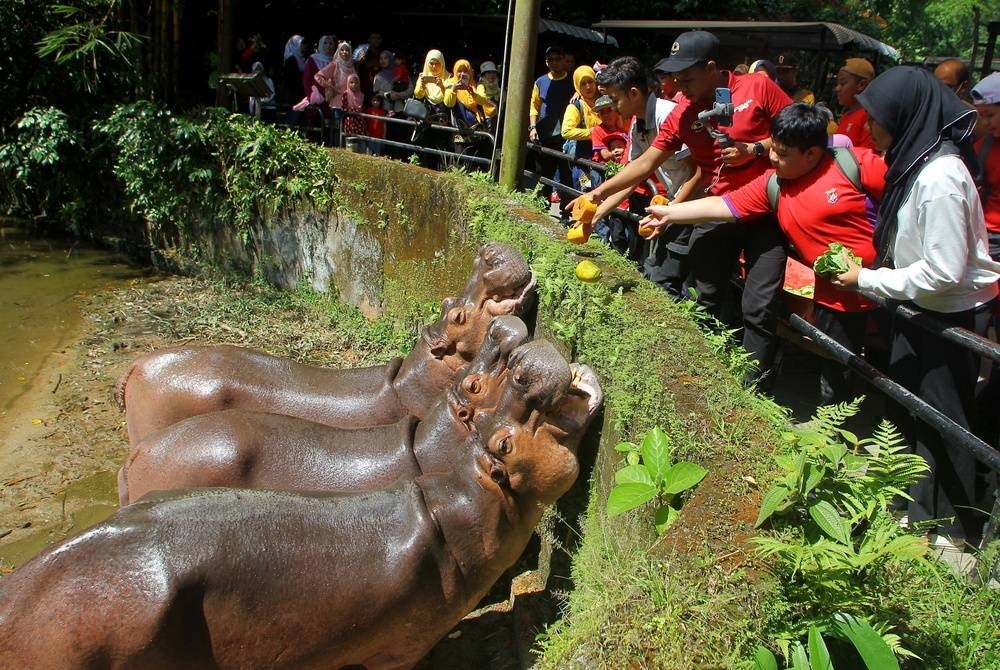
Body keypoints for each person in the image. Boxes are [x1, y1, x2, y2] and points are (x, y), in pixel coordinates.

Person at [831, 66, 1000, 549]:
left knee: (945, 423)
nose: (871, 131)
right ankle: (914, 508)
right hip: (918, 306)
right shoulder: (918, 162)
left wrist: (866, 279)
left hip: (947, 314)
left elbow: (945, 270)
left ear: (904, 117)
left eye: (877, 121)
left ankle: (950, 530)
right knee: (912, 413)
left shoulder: (941, 177)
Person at [580, 32, 793, 386]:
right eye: (675, 78)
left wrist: (754, 149)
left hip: (766, 211)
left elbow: (803, 132)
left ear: (712, 68)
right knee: (702, 293)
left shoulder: (758, 88)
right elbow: (647, 161)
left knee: (758, 306)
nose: (678, 85)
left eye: (686, 78)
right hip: (716, 208)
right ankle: (698, 378)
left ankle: (756, 388)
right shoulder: (683, 111)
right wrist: (598, 193)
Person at [640, 103, 886, 402]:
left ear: (812, 153)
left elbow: (909, 199)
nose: (772, 157)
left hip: (886, 288)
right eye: (773, 148)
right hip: (837, 294)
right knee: (838, 366)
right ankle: (836, 430)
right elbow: (725, 205)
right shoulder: (774, 184)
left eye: (783, 153)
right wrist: (668, 214)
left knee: (900, 378)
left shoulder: (857, 165)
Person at [589, 56, 700, 292]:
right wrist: (597, 212)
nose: (612, 105)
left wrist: (672, 211)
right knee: (658, 271)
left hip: (694, 205)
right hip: (677, 206)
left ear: (633, 93)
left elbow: (700, 171)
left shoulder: (668, 116)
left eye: (615, 99)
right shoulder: (638, 122)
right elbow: (635, 173)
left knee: (665, 278)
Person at [528, 46, 574, 205]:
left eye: (557, 59)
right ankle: (542, 205)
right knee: (544, 172)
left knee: (566, 173)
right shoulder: (540, 82)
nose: (554, 62)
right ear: (546, 62)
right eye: (550, 59)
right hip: (545, 132)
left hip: (567, 134)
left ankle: (566, 210)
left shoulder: (573, 80)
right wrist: (533, 127)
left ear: (564, 60)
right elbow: (534, 106)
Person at [972, 72, 1000, 261]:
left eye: (990, 115)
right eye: (982, 116)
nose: (985, 122)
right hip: (989, 236)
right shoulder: (982, 147)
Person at [560, 65, 602, 193]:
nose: (588, 87)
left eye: (590, 82)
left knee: (600, 188)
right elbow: (566, 131)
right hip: (583, 156)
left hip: (602, 153)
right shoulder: (576, 106)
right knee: (586, 189)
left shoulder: (603, 101)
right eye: (583, 84)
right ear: (578, 86)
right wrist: (592, 133)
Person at [835, 58, 876, 150]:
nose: (837, 88)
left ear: (861, 85)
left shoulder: (868, 117)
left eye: (842, 83)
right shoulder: (846, 116)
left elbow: (867, 156)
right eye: (837, 84)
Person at [302, 35, 336, 108]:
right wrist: (312, 95)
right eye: (325, 43)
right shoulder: (313, 59)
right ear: (321, 45)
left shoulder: (335, 60)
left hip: (332, 99)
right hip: (317, 98)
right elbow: (306, 80)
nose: (328, 46)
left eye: (330, 43)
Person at [280, 34, 307, 105]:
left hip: (298, 95)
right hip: (293, 97)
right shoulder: (291, 60)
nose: (304, 46)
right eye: (302, 44)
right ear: (296, 45)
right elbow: (292, 80)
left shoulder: (300, 58)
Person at [478, 61, 501, 131]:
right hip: (487, 123)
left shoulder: (500, 89)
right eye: (488, 73)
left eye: (493, 72)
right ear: (483, 75)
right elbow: (480, 99)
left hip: (499, 122)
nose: (492, 75)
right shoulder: (481, 87)